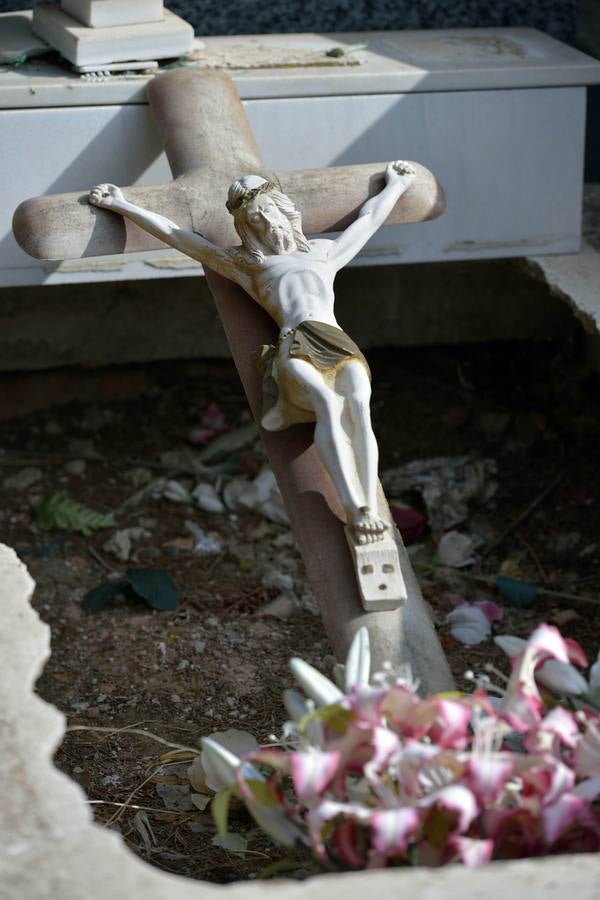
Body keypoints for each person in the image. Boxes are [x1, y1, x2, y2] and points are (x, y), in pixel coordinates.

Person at [89, 161, 416, 544]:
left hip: (335, 339)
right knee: (327, 402)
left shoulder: (325, 252)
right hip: (296, 343)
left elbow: (368, 219)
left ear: (285, 210)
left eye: (271, 212)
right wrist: (124, 205)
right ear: (248, 227)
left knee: (359, 403)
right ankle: (356, 509)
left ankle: (371, 506)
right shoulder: (251, 266)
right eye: (257, 219)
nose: (268, 223)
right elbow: (182, 238)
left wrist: (395, 185)